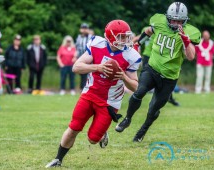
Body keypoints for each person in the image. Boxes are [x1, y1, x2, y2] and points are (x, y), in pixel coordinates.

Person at [45, 20, 141, 168]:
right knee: (74, 127)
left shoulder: (130, 55)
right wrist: (98, 67)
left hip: (110, 102)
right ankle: (58, 159)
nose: (125, 40)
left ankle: (102, 133)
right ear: (110, 36)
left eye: (126, 36)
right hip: (89, 94)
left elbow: (135, 86)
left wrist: (124, 77)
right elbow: (76, 67)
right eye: (121, 37)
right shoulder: (97, 44)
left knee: (92, 139)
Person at [115, 2, 201, 142]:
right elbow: (148, 31)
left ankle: (142, 131)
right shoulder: (159, 22)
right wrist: (138, 43)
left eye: (179, 21)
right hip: (152, 68)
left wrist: (185, 40)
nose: (176, 23)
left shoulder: (189, 32)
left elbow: (191, 56)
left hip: (169, 77)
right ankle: (127, 119)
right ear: (167, 18)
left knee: (153, 108)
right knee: (139, 92)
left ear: (184, 20)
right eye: (173, 19)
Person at [141, 26, 180, 106]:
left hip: (158, 56)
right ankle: (137, 96)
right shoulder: (149, 28)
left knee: (165, 79)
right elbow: (141, 37)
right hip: (148, 55)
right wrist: (135, 44)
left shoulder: (162, 29)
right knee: (144, 77)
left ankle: (169, 98)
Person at [75, 23, 92, 90]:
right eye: (83, 28)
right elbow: (77, 47)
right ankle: (82, 87)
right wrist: (75, 56)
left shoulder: (90, 36)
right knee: (82, 72)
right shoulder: (79, 37)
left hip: (89, 57)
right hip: (81, 57)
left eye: (85, 28)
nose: (84, 30)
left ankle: (86, 87)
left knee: (88, 73)